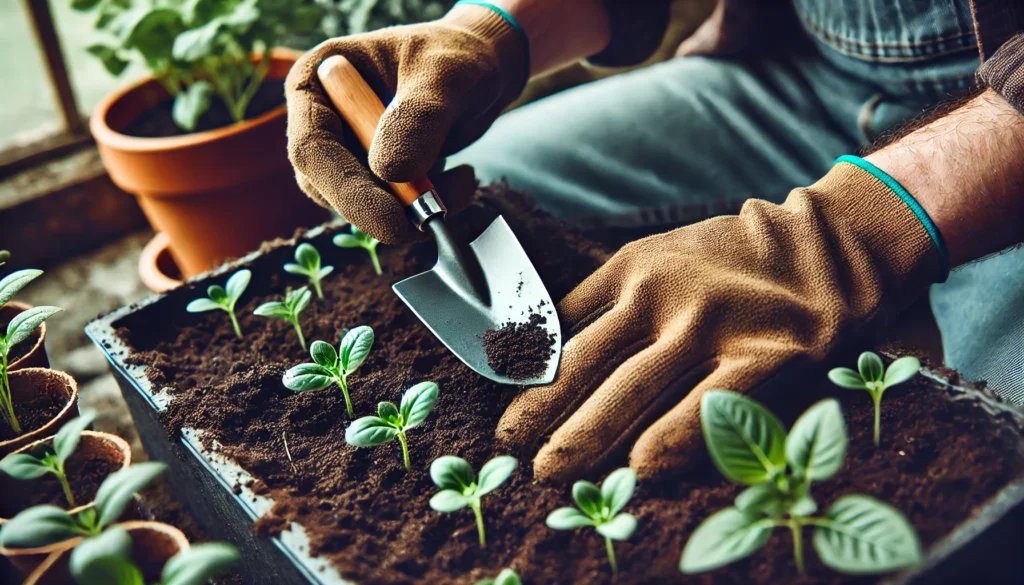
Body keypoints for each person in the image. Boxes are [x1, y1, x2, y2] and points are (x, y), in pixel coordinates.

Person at [285, 0, 1024, 481]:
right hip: (800, 75)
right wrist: (493, 29)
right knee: (505, 175)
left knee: (1001, 463)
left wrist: (836, 236)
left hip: (1003, 139)